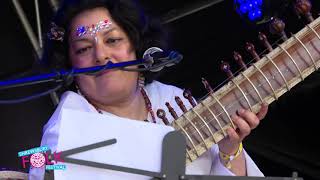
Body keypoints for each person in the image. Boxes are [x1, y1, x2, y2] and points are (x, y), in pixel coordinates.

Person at [29, 0, 268, 179]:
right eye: (83, 49)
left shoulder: (174, 99)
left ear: (138, 47)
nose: (100, 55)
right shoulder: (66, 130)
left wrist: (230, 149)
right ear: (70, 66)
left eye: (112, 40)